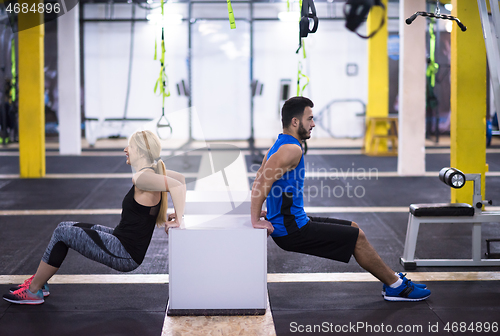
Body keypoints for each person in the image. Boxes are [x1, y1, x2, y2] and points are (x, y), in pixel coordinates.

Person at [250, 97, 430, 302]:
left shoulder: (279, 145)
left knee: (353, 227)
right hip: (292, 230)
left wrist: (267, 212)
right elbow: (261, 184)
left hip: (292, 222)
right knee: (357, 236)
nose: (313, 124)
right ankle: (396, 286)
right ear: (294, 122)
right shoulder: (291, 149)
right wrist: (256, 220)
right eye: (309, 119)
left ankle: (392, 280)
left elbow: (259, 178)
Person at [3, 130, 186, 305]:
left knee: (62, 233)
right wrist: (178, 213)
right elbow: (182, 180)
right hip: (120, 240)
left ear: (139, 151)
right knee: (65, 226)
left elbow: (177, 186)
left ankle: (34, 290)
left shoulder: (141, 178)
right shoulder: (154, 173)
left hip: (124, 253)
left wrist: (179, 219)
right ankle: (39, 282)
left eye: (129, 146)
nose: (125, 149)